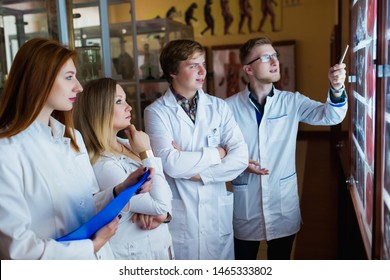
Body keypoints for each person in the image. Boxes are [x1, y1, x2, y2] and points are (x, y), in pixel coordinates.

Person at [0, 38, 152, 260]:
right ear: (38, 79)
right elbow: (16, 250)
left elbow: (85, 204)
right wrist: (90, 247)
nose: (79, 87)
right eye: (69, 77)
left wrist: (119, 191)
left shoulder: (72, 137)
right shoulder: (7, 150)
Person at [225, 37, 348, 260]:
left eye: (275, 55)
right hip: (245, 204)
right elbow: (215, 149)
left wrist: (337, 87)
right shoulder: (227, 108)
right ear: (248, 69)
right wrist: (239, 163)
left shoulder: (292, 102)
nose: (274, 61)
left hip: (283, 203)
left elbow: (331, 115)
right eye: (265, 57)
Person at [144, 39, 249, 260]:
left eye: (202, 63)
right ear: (173, 71)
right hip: (183, 218)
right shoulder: (156, 112)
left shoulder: (219, 107)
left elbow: (240, 158)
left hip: (215, 215)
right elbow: (170, 163)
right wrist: (218, 153)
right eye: (193, 65)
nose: (202, 71)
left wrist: (200, 174)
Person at [73, 78, 174, 260]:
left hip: (159, 248)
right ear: (99, 110)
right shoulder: (102, 163)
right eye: (119, 101)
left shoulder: (127, 144)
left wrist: (163, 215)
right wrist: (146, 152)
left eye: (126, 100)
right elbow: (161, 205)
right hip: (134, 255)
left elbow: (164, 198)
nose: (129, 107)